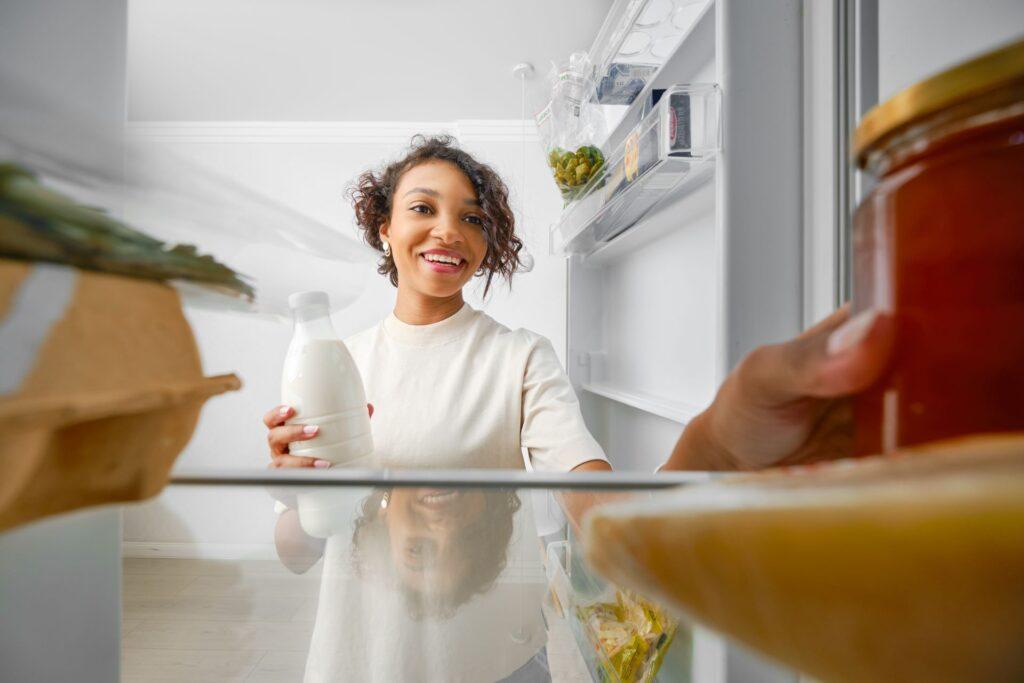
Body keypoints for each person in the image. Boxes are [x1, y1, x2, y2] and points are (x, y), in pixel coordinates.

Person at [263, 134, 892, 475]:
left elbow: (585, 487)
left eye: (473, 217)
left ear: (490, 243)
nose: (449, 232)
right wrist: (294, 486)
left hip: (501, 651)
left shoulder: (519, 357)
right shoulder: (335, 360)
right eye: (423, 208)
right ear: (384, 228)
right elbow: (298, 550)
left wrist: (716, 452)